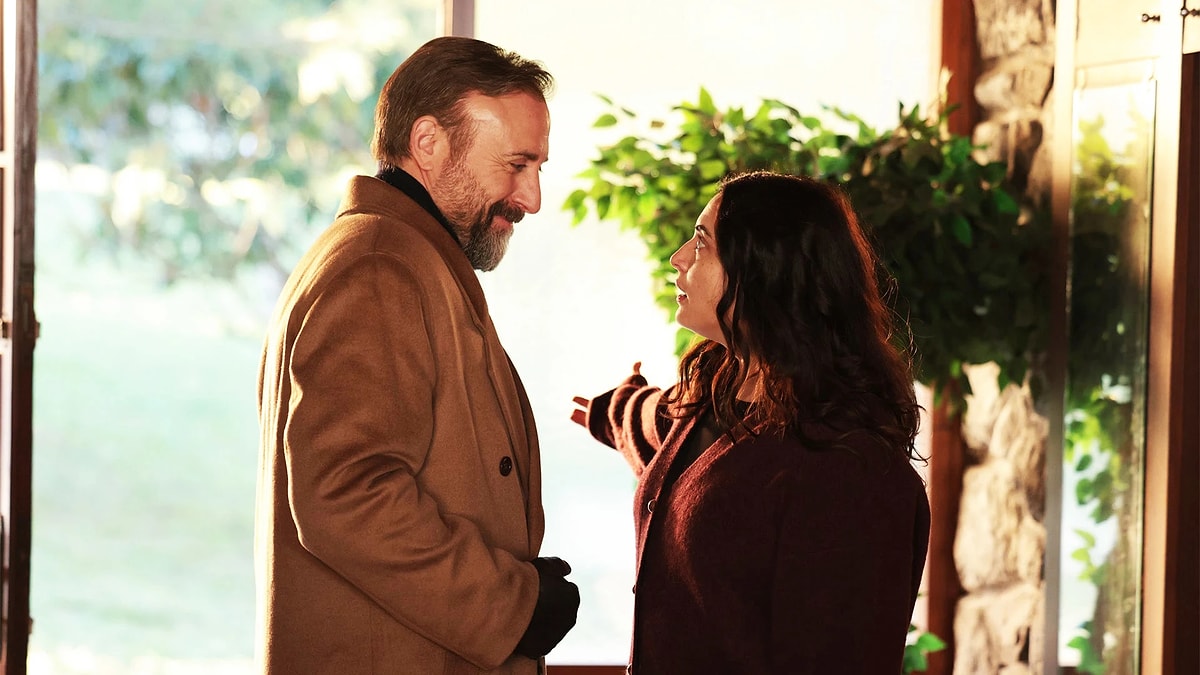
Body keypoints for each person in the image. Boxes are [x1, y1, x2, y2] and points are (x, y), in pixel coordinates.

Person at [256, 36, 578, 674]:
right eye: (516, 165)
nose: (532, 198)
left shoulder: (400, 255)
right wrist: (510, 606)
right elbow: (346, 493)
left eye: (538, 168)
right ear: (429, 143)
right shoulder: (380, 266)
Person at [571, 171, 931, 673]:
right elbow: (657, 427)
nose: (678, 258)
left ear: (764, 271)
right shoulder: (711, 395)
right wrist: (613, 408)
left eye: (701, 242)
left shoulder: (849, 471)